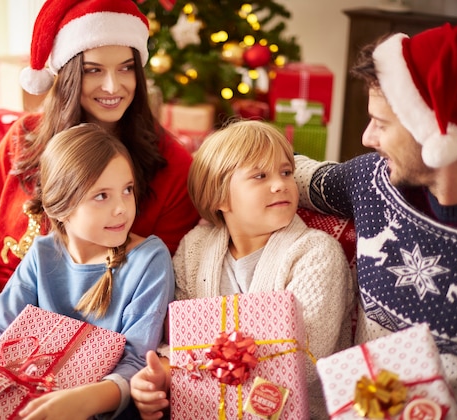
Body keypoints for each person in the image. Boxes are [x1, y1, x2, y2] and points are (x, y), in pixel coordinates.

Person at [293, 17, 457, 418]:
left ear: (437, 134)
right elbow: (289, 175)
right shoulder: (372, 179)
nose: (367, 137)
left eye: (381, 124)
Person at [0, 123, 172, 419]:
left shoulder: (148, 259)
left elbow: (138, 360)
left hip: (100, 408)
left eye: (127, 190)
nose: (122, 208)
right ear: (59, 206)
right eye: (102, 196)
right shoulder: (42, 253)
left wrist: (82, 402)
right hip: (22, 393)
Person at [0, 0, 198, 291]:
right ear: (67, 74)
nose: (113, 87)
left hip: (81, 318)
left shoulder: (172, 163)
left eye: (126, 68)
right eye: (93, 70)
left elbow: (159, 279)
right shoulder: (24, 136)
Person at [130, 119, 356, 420]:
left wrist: (204, 363)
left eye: (286, 172)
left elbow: (304, 359)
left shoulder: (315, 253)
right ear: (220, 197)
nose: (280, 184)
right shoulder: (195, 248)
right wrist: (162, 376)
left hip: (290, 410)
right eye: (260, 175)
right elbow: (180, 339)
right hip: (204, 409)